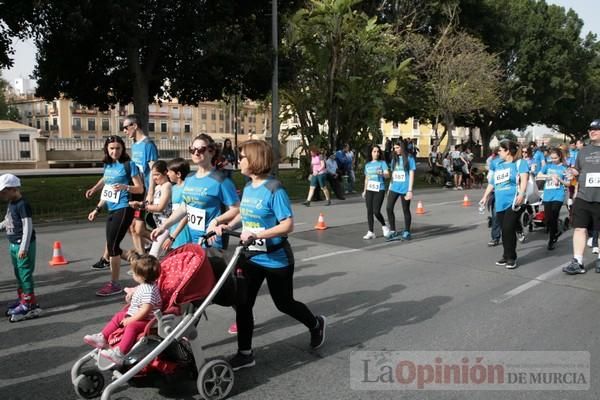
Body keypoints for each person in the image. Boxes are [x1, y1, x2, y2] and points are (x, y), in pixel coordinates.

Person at [213, 140, 326, 371]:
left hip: (276, 259)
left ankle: (315, 324)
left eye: (242, 156)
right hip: (250, 257)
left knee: (284, 303)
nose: (239, 161)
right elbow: (244, 214)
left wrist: (259, 234)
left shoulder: (275, 189)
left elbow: (287, 225)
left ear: (254, 160)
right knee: (243, 304)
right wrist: (228, 224)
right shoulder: (248, 187)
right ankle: (245, 353)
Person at [149, 133, 239, 252]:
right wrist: (164, 227)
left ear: (211, 152)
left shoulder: (221, 181)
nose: (196, 153)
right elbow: (185, 207)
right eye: (192, 149)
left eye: (201, 149)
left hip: (212, 242)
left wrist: (216, 221)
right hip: (193, 241)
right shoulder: (190, 179)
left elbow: (237, 209)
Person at [88, 135, 144, 296]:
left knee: (112, 247)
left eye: (118, 148)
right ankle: (139, 262)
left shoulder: (129, 165)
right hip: (112, 209)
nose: (115, 151)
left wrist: (126, 187)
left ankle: (114, 284)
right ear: (107, 149)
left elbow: (139, 188)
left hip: (124, 208)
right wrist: (96, 207)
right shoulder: (109, 165)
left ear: (123, 149)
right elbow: (106, 183)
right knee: (113, 246)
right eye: (111, 148)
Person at [83, 254, 161, 366]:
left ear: (141, 276)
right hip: (138, 315)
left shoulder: (149, 291)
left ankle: (120, 353)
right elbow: (138, 300)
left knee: (132, 327)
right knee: (119, 315)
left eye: (134, 273)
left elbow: (146, 310)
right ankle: (102, 337)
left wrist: (131, 320)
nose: (132, 274)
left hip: (148, 320)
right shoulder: (144, 286)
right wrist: (130, 297)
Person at [479, 140, 529, 269]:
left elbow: (524, 180)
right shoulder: (497, 164)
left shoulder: (520, 163)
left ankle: (511, 257)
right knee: (504, 230)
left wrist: (521, 194)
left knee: (508, 228)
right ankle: (505, 255)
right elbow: (492, 183)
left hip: (513, 202)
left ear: (507, 151)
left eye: (500, 150)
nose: (498, 152)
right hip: (499, 202)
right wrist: (485, 197)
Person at [0, 174, 42, 322]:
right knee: (19, 274)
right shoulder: (11, 203)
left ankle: (29, 305)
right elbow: (8, 220)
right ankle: (24, 300)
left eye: (4, 192)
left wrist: (23, 247)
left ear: (14, 189)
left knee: (25, 274)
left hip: (23, 245)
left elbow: (27, 226)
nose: (2, 195)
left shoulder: (22, 204)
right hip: (13, 244)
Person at [563, 120, 600, 274]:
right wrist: (572, 172)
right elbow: (578, 170)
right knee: (579, 228)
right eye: (591, 129)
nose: (593, 131)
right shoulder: (583, 151)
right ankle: (577, 261)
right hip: (583, 196)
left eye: (597, 129)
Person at [125, 114, 159, 255]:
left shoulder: (148, 145)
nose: (125, 131)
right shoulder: (135, 145)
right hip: (136, 191)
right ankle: (142, 258)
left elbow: (153, 171)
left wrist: (150, 192)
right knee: (132, 227)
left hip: (145, 191)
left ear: (135, 126)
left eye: (126, 127)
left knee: (138, 229)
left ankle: (165, 242)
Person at [130, 160, 172, 258]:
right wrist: (139, 204)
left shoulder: (167, 186)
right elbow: (149, 204)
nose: (154, 178)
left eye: (157, 175)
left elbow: (161, 207)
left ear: (165, 173)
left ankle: (148, 272)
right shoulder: (158, 188)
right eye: (153, 175)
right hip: (158, 226)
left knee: (153, 255)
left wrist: (143, 206)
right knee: (165, 255)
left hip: (166, 226)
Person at [537, 148, 569, 250]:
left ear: (560, 157)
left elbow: (568, 183)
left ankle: (551, 240)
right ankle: (556, 231)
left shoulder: (564, 168)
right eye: (552, 158)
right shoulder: (548, 165)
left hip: (558, 195)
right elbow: (539, 175)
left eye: (555, 158)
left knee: (554, 215)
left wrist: (559, 179)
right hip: (547, 195)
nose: (553, 160)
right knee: (547, 219)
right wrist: (549, 176)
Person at [385, 140, 416, 241]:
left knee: (405, 210)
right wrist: (389, 188)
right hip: (394, 187)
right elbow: (393, 174)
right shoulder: (394, 159)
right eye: (394, 148)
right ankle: (393, 230)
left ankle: (407, 231)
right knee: (389, 208)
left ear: (402, 147)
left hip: (405, 188)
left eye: (397, 148)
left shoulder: (409, 158)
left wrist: (410, 190)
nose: (396, 150)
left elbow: (411, 174)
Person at [162, 158, 192, 251]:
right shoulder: (173, 187)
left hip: (183, 232)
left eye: (169, 172)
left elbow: (186, 214)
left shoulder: (187, 188)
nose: (167, 174)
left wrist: (173, 236)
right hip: (173, 229)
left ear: (178, 174)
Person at [362, 145, 390, 239]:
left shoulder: (382, 163)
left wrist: (382, 173)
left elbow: (387, 175)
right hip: (369, 189)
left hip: (379, 189)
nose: (376, 153)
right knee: (369, 211)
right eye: (374, 151)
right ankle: (371, 231)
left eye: (378, 152)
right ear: (371, 153)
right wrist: (364, 191)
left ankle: (384, 226)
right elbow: (366, 178)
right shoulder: (367, 165)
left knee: (376, 211)